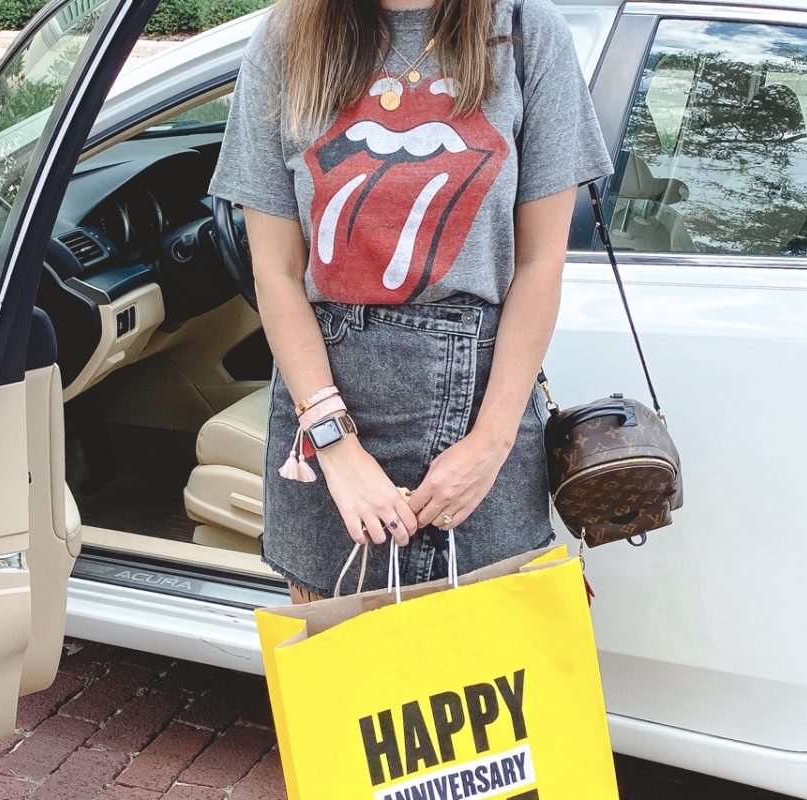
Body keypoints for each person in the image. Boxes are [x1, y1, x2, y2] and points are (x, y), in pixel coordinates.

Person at [208, 0, 613, 603]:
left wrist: (490, 445)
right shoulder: (288, 38)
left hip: (481, 403)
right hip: (327, 401)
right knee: (346, 678)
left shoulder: (524, 32)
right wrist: (335, 447)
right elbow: (278, 271)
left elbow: (538, 264)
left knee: (488, 676)